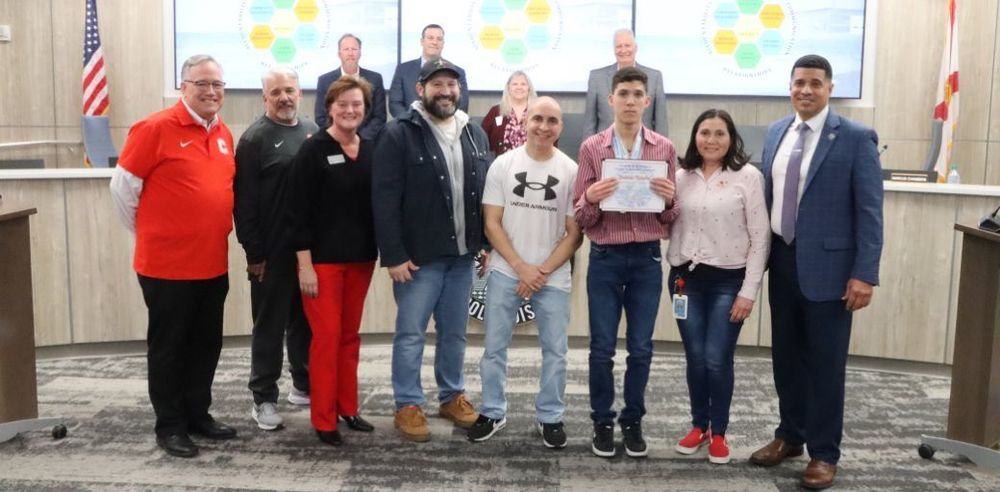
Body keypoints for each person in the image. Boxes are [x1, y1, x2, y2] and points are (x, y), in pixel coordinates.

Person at [749, 54, 883, 490]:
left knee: (825, 364)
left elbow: (870, 213)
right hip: (782, 262)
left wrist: (864, 274)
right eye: (798, 82)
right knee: (786, 359)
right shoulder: (775, 132)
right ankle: (790, 435)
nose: (805, 90)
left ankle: (824, 453)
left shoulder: (856, 137)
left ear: (829, 87)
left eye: (814, 83)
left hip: (831, 269)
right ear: (790, 86)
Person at [109, 54, 237, 458]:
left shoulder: (224, 133)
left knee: (206, 345)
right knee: (169, 348)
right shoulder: (154, 128)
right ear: (183, 86)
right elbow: (122, 191)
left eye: (218, 84)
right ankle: (170, 426)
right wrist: (153, 233)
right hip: (166, 267)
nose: (211, 91)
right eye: (202, 84)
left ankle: (198, 415)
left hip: (212, 263)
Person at [372, 57, 492, 442]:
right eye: (437, 85)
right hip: (418, 260)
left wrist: (485, 243)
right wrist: (392, 254)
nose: (446, 91)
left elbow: (482, 194)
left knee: (455, 333)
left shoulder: (473, 132)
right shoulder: (398, 133)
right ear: (420, 89)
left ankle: (451, 395)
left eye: (452, 85)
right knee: (411, 334)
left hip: (462, 257)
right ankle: (407, 403)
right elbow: (384, 198)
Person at [573, 67, 677, 459]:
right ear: (610, 100)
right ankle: (602, 419)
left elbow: (670, 218)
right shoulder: (592, 149)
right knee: (601, 348)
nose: (631, 101)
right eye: (624, 94)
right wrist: (593, 198)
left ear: (647, 101)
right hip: (605, 257)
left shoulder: (664, 149)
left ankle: (632, 420)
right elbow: (581, 218)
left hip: (647, 258)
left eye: (637, 94)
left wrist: (668, 201)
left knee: (641, 348)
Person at [469, 97, 582, 448]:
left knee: (556, 352)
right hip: (505, 272)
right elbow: (491, 223)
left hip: (553, 277)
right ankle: (492, 410)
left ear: (560, 127)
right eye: (537, 119)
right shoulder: (503, 165)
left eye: (552, 121)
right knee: (494, 348)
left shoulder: (571, 170)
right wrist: (520, 267)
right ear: (526, 122)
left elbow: (574, 233)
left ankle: (550, 416)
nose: (544, 126)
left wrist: (541, 271)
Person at [667, 109, 770, 464]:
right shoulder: (680, 177)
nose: (711, 140)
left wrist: (749, 290)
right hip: (685, 279)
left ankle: (720, 433)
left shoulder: (748, 176)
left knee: (716, 358)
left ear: (731, 138)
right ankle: (700, 426)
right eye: (705, 132)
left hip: (729, 279)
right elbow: (666, 223)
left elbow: (761, 238)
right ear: (695, 136)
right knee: (695, 359)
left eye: (719, 133)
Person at [287, 76, 379, 447]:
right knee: (325, 338)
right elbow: (296, 212)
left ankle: (348, 407)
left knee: (349, 337)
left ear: (365, 109)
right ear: (329, 108)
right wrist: (304, 266)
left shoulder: (371, 149)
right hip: (321, 263)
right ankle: (324, 418)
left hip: (361, 260)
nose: (350, 111)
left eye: (356, 104)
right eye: (342, 105)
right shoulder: (313, 150)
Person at [234, 68, 318, 431]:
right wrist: (254, 254)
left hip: (309, 254)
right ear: (264, 98)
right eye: (276, 92)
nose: (285, 97)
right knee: (269, 327)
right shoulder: (254, 139)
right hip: (270, 253)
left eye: (290, 90)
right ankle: (263, 398)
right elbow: (244, 203)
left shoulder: (313, 130)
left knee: (305, 322)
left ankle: (304, 384)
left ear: (300, 93)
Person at [582, 29, 667, 139]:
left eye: (627, 45)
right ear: (614, 50)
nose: (623, 50)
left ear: (636, 48)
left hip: (645, 147)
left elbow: (661, 122)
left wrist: (661, 151)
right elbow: (590, 122)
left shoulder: (654, 77)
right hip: (604, 146)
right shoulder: (596, 78)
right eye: (619, 46)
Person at [313, 33, 386, 140]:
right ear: (339, 54)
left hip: (367, 142)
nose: (350, 53)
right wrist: (341, 136)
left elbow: (379, 117)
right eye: (346, 49)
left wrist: (359, 138)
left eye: (354, 49)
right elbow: (321, 117)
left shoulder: (375, 79)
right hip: (334, 142)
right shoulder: (325, 81)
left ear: (360, 53)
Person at [388, 24, 469, 118]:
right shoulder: (403, 69)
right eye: (430, 38)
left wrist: (443, 123)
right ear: (422, 41)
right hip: (409, 128)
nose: (435, 42)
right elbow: (395, 103)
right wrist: (410, 123)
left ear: (443, 43)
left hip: (445, 128)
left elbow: (462, 105)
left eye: (439, 39)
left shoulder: (458, 72)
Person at [480, 71, 537, 156]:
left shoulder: (539, 110)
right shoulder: (496, 111)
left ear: (529, 88)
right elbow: (480, 138)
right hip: (503, 165)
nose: (519, 87)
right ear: (508, 88)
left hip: (534, 164)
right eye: (515, 84)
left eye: (523, 84)